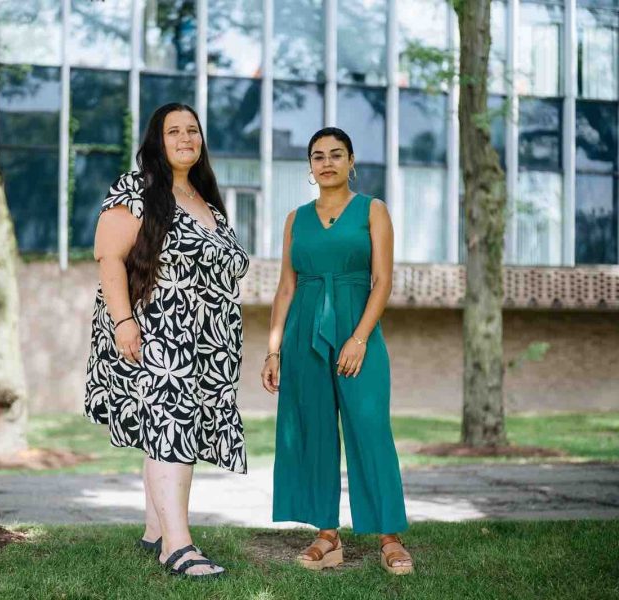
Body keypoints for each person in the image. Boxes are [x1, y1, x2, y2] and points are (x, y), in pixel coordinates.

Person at [84, 103, 249, 578]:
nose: (184, 137)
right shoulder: (137, 189)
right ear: (156, 141)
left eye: (192, 130)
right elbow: (108, 256)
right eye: (173, 130)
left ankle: (156, 529)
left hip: (204, 344)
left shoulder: (207, 200)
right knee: (171, 430)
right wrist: (123, 322)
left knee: (172, 433)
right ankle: (177, 546)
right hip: (155, 332)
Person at [261, 127, 413, 575]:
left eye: (336, 154)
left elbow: (382, 280)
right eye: (317, 156)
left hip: (357, 326)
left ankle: (389, 536)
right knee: (313, 430)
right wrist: (273, 351)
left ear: (351, 162)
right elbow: (285, 287)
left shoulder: (372, 210)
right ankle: (327, 535)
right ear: (309, 166)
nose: (326, 162)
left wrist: (359, 336)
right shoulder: (295, 219)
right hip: (302, 331)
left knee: (370, 429)